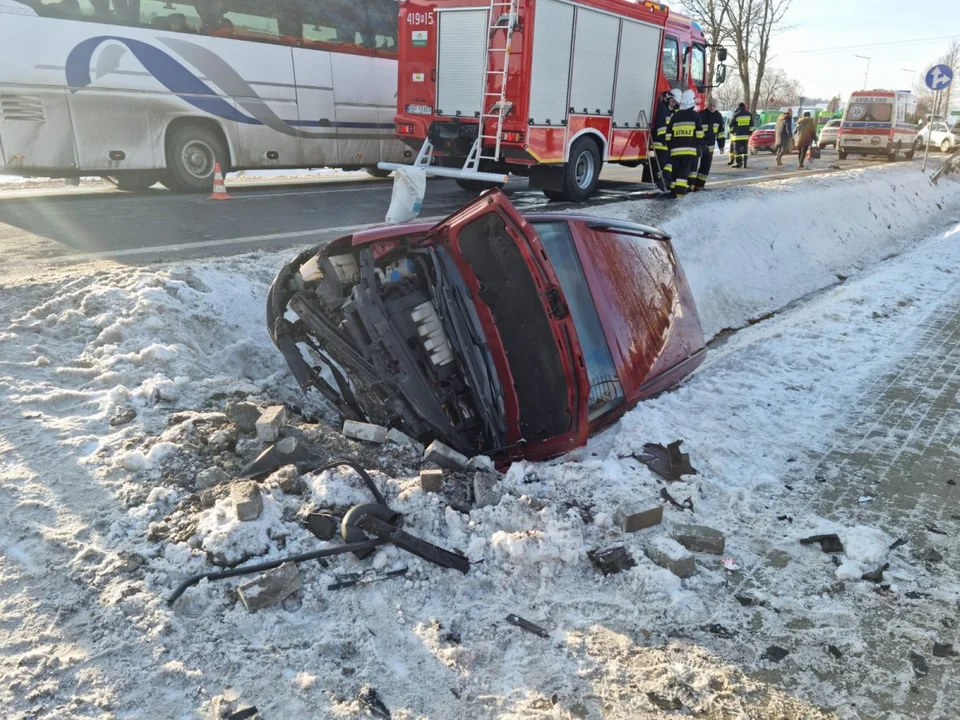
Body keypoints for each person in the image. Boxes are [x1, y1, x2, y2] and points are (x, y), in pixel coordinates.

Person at [665, 90, 704, 198]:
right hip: (689, 151)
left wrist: (669, 146)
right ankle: (679, 194)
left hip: (675, 151)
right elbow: (699, 134)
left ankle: (673, 190)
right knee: (683, 172)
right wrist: (698, 147)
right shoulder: (695, 116)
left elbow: (668, 134)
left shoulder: (675, 116)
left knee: (675, 170)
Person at [692, 97, 724, 191]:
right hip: (699, 144)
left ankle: (699, 185)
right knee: (693, 165)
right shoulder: (701, 114)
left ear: (716, 106)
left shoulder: (718, 116)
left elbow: (720, 133)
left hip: (710, 147)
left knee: (705, 167)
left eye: (714, 106)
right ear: (708, 105)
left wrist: (721, 146)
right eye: (710, 105)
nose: (712, 107)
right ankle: (691, 185)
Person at [653, 89, 681, 191]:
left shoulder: (672, 111)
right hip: (661, 143)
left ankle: (664, 182)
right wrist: (665, 141)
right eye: (672, 101)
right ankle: (661, 183)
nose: (674, 104)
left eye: (676, 103)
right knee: (661, 165)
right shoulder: (663, 109)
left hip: (667, 143)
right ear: (668, 99)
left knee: (668, 164)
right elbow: (660, 128)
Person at [730, 102, 754, 168]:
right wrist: (750, 133)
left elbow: (730, 125)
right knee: (745, 149)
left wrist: (732, 131)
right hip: (746, 136)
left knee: (737, 150)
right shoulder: (749, 115)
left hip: (737, 136)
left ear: (739, 108)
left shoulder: (736, 115)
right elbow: (752, 126)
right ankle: (745, 163)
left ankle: (738, 163)